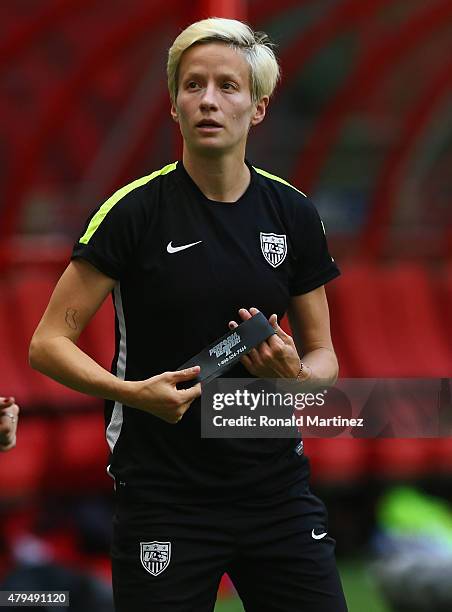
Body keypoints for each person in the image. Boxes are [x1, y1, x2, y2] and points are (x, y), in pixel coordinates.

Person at [29, 17, 347, 611]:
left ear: (257, 108)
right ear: (173, 106)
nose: (208, 100)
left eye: (228, 87)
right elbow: (47, 343)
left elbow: (324, 356)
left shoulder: (294, 213)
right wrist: (133, 392)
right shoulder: (132, 212)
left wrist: (296, 380)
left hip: (276, 492)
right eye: (192, 85)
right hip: (165, 496)